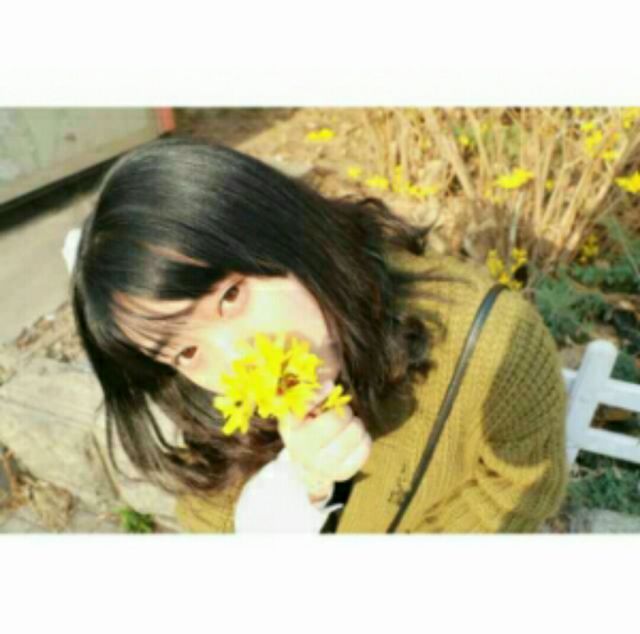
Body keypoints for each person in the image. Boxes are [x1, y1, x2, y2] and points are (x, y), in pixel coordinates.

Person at [67, 136, 569, 534]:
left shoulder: (493, 342)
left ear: (283, 230)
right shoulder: (209, 396)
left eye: (231, 297)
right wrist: (296, 485)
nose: (239, 361)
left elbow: (521, 485)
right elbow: (211, 515)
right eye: (186, 350)